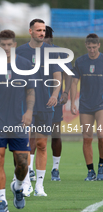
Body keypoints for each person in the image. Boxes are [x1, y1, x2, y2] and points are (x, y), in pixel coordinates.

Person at [0, 30, 35, 212]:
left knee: (22, 163)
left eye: (9, 44)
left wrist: (28, 112)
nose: (6, 48)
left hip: (19, 120)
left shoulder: (26, 64)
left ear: (15, 45)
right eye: (2, 45)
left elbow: (30, 92)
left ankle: (18, 187)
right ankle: (2, 203)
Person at [16, 19, 62, 196]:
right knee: (26, 143)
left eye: (44, 30)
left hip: (45, 104)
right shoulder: (20, 51)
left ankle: (39, 186)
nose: (42, 33)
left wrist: (54, 94)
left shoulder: (52, 51)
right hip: (26, 106)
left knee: (42, 144)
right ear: (30, 31)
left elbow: (57, 76)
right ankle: (26, 182)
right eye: (38, 30)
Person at [70, 33, 103, 181]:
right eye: (89, 47)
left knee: (101, 136)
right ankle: (90, 171)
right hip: (85, 106)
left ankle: (101, 167)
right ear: (86, 46)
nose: (91, 50)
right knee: (87, 138)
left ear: (99, 45)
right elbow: (74, 82)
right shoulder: (80, 62)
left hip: (101, 105)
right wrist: (72, 102)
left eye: (94, 47)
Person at [44, 26, 72, 181]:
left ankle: (55, 168)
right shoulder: (31, 53)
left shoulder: (59, 53)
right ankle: (31, 169)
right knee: (34, 135)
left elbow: (68, 73)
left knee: (55, 134)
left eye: (45, 36)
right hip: (36, 99)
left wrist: (66, 92)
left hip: (54, 99)